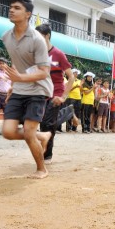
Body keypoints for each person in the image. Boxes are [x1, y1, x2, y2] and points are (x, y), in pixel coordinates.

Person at [1, 0, 53, 179]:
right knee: (7, 132)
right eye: (11, 7)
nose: (12, 10)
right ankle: (43, 136)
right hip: (20, 89)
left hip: (38, 89)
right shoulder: (6, 37)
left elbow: (44, 72)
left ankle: (41, 169)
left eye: (17, 8)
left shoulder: (37, 39)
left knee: (29, 131)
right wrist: (13, 85)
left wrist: (20, 78)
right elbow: (18, 64)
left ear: (28, 14)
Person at [35, 23, 74, 164]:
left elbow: (71, 77)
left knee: (47, 123)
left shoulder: (58, 54)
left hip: (55, 94)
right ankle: (66, 113)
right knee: (43, 123)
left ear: (47, 36)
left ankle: (46, 155)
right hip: (41, 93)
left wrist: (64, 96)